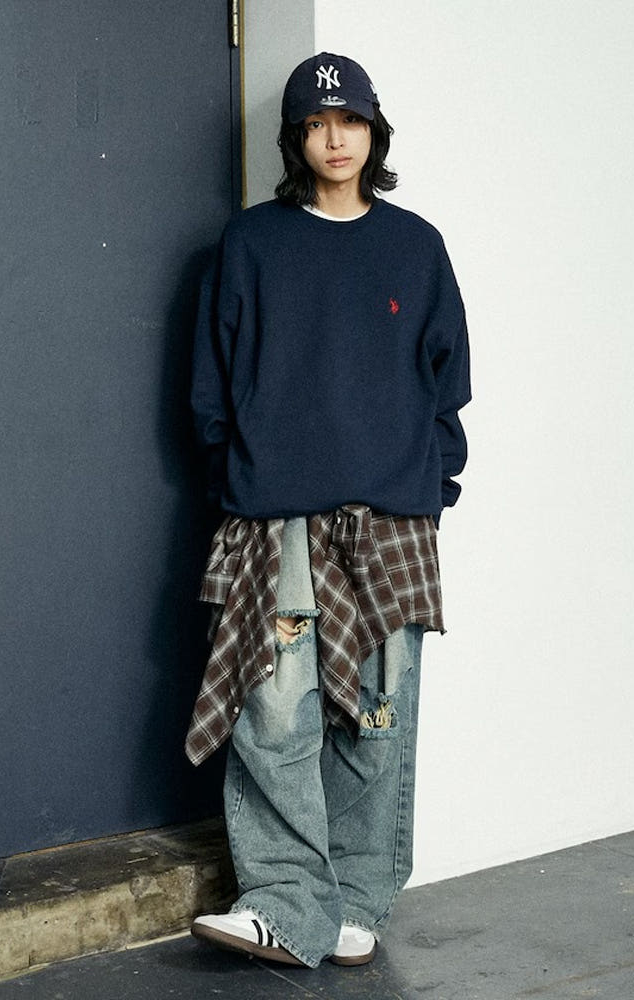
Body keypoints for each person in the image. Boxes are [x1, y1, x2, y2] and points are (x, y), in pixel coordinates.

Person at [185, 52, 471, 969]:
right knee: (273, 712)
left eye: (350, 121)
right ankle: (282, 903)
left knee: (376, 720)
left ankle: (355, 900)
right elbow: (210, 384)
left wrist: (431, 491)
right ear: (295, 139)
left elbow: (448, 386)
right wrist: (245, 481)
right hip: (276, 521)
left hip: (391, 521)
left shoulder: (416, 245)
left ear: (374, 132)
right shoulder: (252, 242)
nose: (335, 138)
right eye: (315, 123)